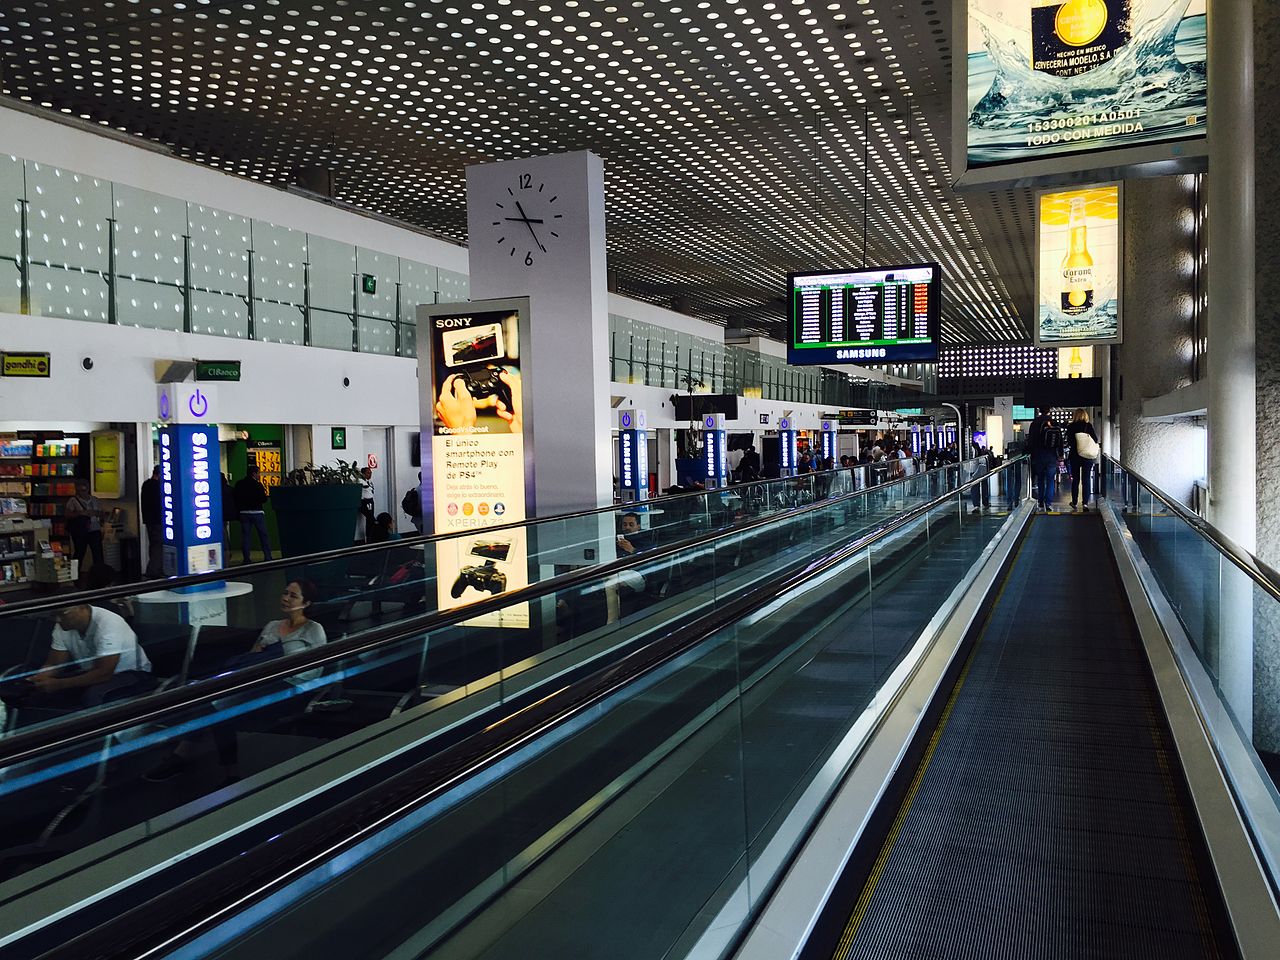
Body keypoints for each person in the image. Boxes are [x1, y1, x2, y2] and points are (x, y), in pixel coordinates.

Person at [145, 580, 326, 782]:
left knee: (221, 707)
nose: (285, 598)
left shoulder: (313, 630)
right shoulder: (273, 626)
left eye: (293, 596)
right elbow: (251, 658)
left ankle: (202, 760)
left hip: (290, 684)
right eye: (285, 593)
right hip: (259, 679)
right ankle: (196, 758)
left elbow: (315, 670)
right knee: (214, 701)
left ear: (306, 603)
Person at [1, 603, 152, 721]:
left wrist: (58, 684)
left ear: (82, 607)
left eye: (63, 614)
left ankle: (96, 742)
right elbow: (54, 664)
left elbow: (104, 673)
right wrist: (39, 678)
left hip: (133, 674)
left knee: (94, 696)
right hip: (92, 672)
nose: (58, 619)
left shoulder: (108, 624)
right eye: (55, 614)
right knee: (38, 693)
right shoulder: (62, 627)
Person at [66, 478, 107, 576]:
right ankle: (74, 574)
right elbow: (68, 514)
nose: (83, 492)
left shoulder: (95, 500)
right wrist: (81, 513)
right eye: (81, 490)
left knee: (97, 553)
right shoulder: (73, 501)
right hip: (80, 530)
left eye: (85, 489)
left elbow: (101, 514)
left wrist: (100, 516)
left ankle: (99, 574)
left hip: (94, 529)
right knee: (79, 552)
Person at [234, 463, 273, 563]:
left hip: (244, 513)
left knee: (246, 536)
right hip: (257, 512)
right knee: (263, 535)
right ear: (254, 473)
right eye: (258, 473)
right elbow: (263, 499)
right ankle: (267, 556)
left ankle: (246, 558)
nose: (259, 475)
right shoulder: (258, 485)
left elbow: (235, 498)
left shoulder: (239, 484)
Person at [1027, 407, 1063, 513]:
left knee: (1041, 479)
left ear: (1039, 411)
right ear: (1049, 411)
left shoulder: (1034, 423)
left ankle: (1040, 502)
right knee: (1051, 479)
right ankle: (1048, 503)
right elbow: (1059, 439)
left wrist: (1030, 453)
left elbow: (1031, 440)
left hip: (1039, 455)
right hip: (1052, 455)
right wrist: (1060, 454)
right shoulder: (1054, 422)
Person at [1066, 408, 1100, 512]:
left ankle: (1074, 502)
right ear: (1085, 415)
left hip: (1074, 456)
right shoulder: (1088, 426)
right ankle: (1085, 503)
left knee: (1075, 479)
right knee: (1086, 479)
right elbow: (1095, 439)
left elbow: (1069, 441)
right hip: (1087, 456)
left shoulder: (1071, 427)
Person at [140, 464, 164, 577]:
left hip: (150, 520)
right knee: (158, 545)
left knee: (154, 545)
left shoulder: (146, 484)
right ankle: (154, 570)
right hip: (158, 520)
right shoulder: (157, 487)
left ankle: (154, 569)